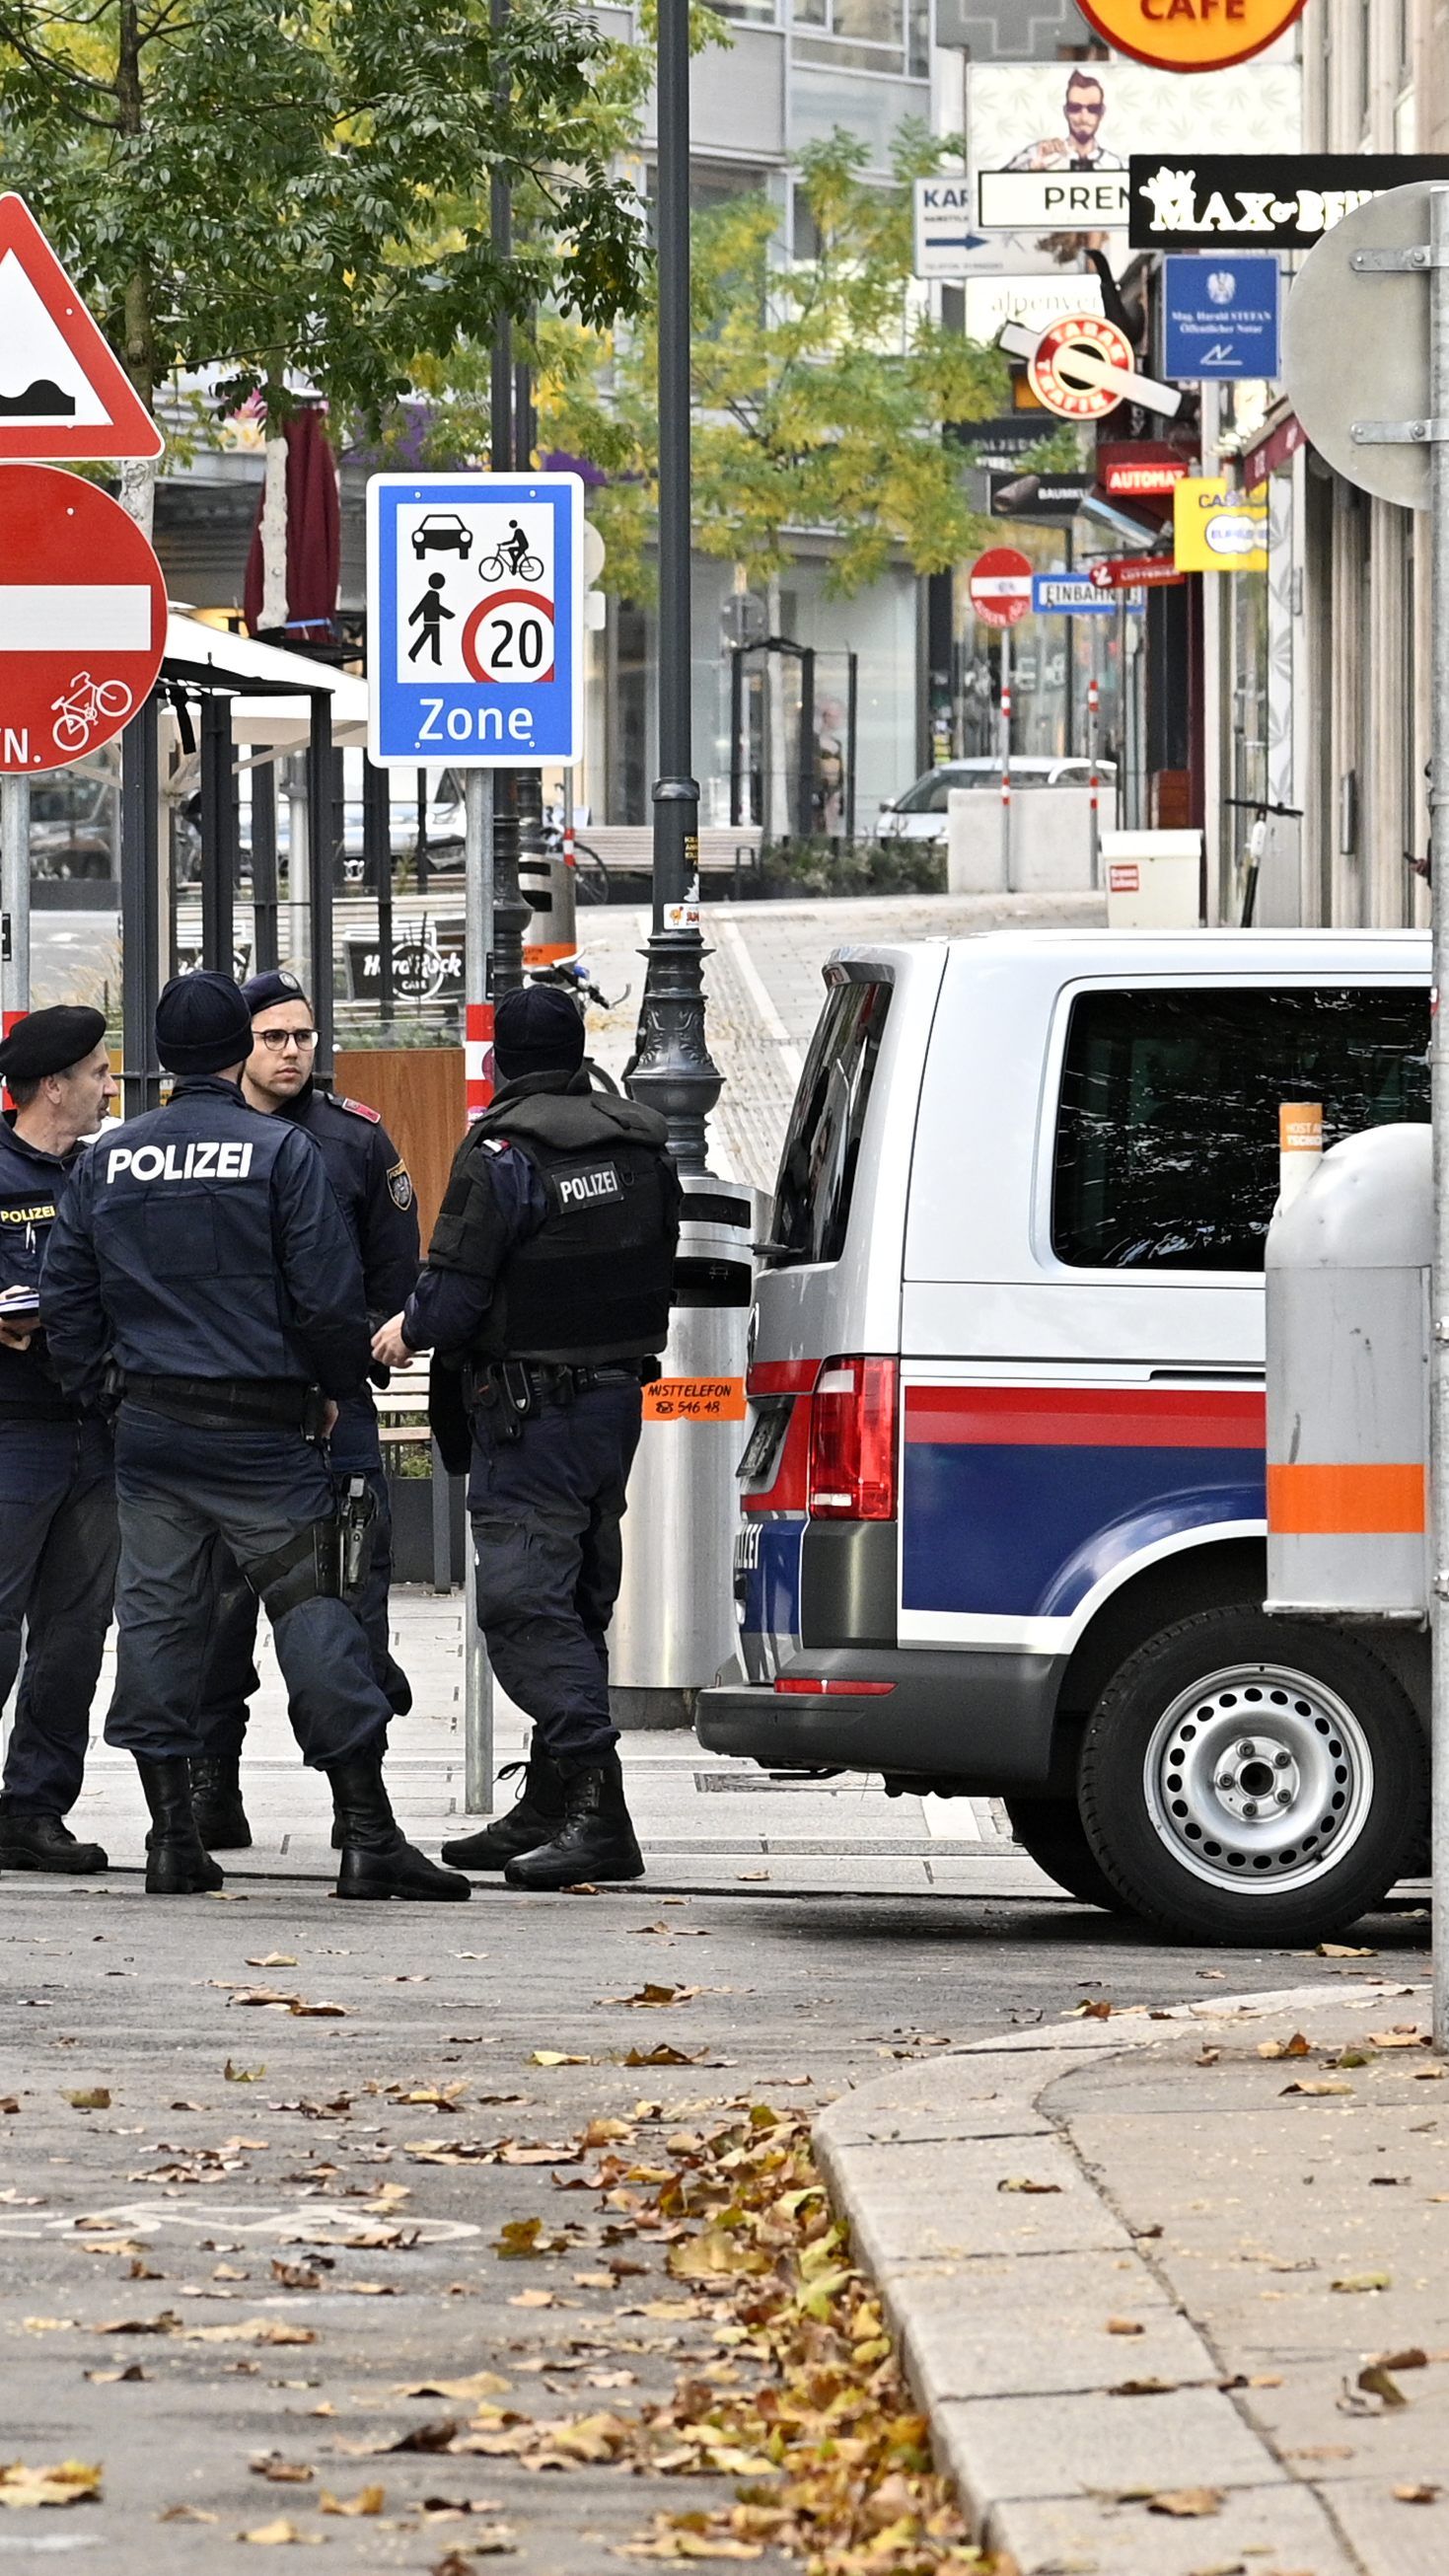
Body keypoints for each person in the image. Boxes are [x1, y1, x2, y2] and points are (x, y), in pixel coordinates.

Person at [40, 971, 468, 1904]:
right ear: (237, 1050)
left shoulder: (109, 1162)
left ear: (157, 1057)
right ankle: (366, 1833)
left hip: (152, 1433)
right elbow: (324, 1294)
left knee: (158, 1622)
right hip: (265, 1433)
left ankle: (171, 1837)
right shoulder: (280, 1152)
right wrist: (329, 1390)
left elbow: (67, 1298)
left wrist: (103, 1389)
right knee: (317, 1614)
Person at [372, 984, 680, 1889]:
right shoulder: (639, 1142)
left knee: (519, 1604)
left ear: (497, 1061)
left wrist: (407, 1328)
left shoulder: (502, 1151)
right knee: (574, 1600)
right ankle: (551, 1801)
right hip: (613, 1405)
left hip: (529, 1411)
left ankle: (597, 1807)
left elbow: (457, 1290)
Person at [187, 969, 419, 1852]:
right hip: (233, 1404)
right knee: (216, 1607)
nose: (291, 1052)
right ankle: (213, 1781)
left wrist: (343, 1358)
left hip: (335, 1407)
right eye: (272, 1037)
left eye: (302, 1036)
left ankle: (357, 1796)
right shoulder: (212, 1138)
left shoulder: (353, 1140)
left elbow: (393, 1272)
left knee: (350, 1597)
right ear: (237, 1046)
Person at [0, 1007, 118, 1876]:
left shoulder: (108, 1173)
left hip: (96, 1431)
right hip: (11, 1430)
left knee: (75, 1634)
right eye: (98, 1074)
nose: (109, 1088)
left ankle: (34, 1807)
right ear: (54, 1085)